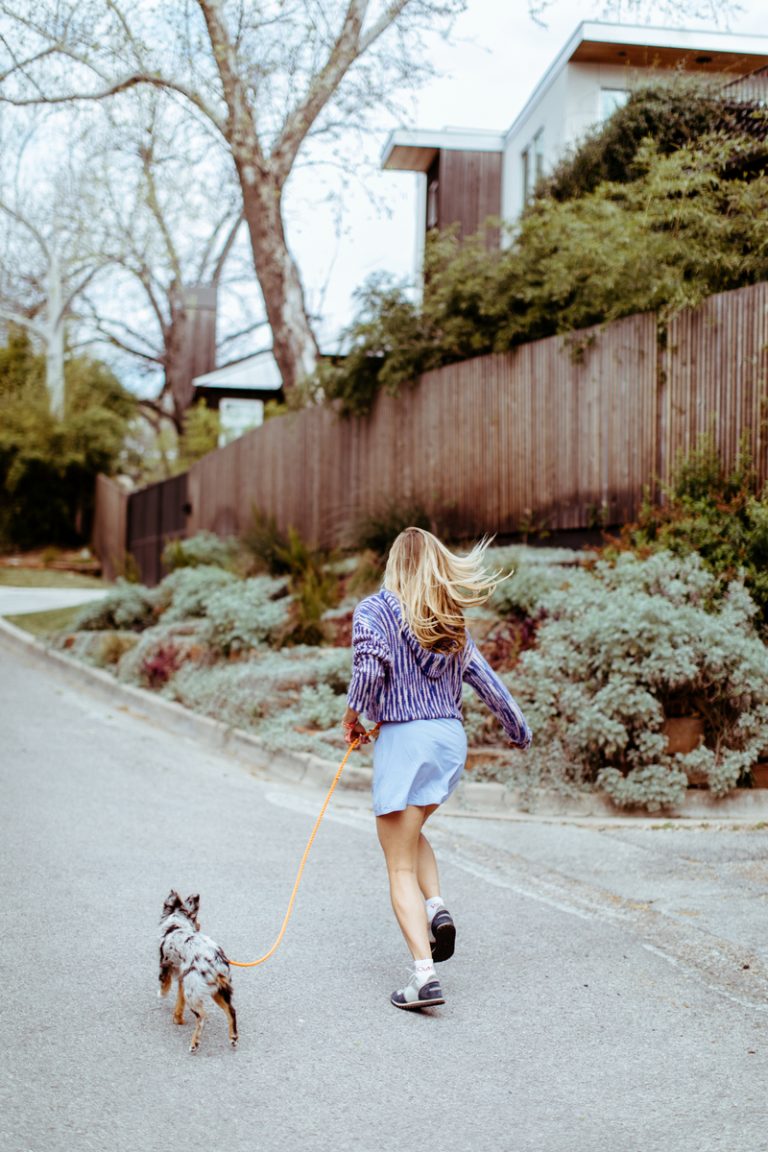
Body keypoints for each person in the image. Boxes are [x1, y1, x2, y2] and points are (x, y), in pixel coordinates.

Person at [342, 527, 532, 1011]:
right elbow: (486, 680)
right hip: (448, 741)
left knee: (398, 863)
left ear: (393, 564)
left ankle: (423, 978)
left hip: (406, 741)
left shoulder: (376, 610)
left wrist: (353, 715)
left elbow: (369, 668)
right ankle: (436, 907)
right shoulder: (450, 621)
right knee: (409, 833)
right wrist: (518, 728)